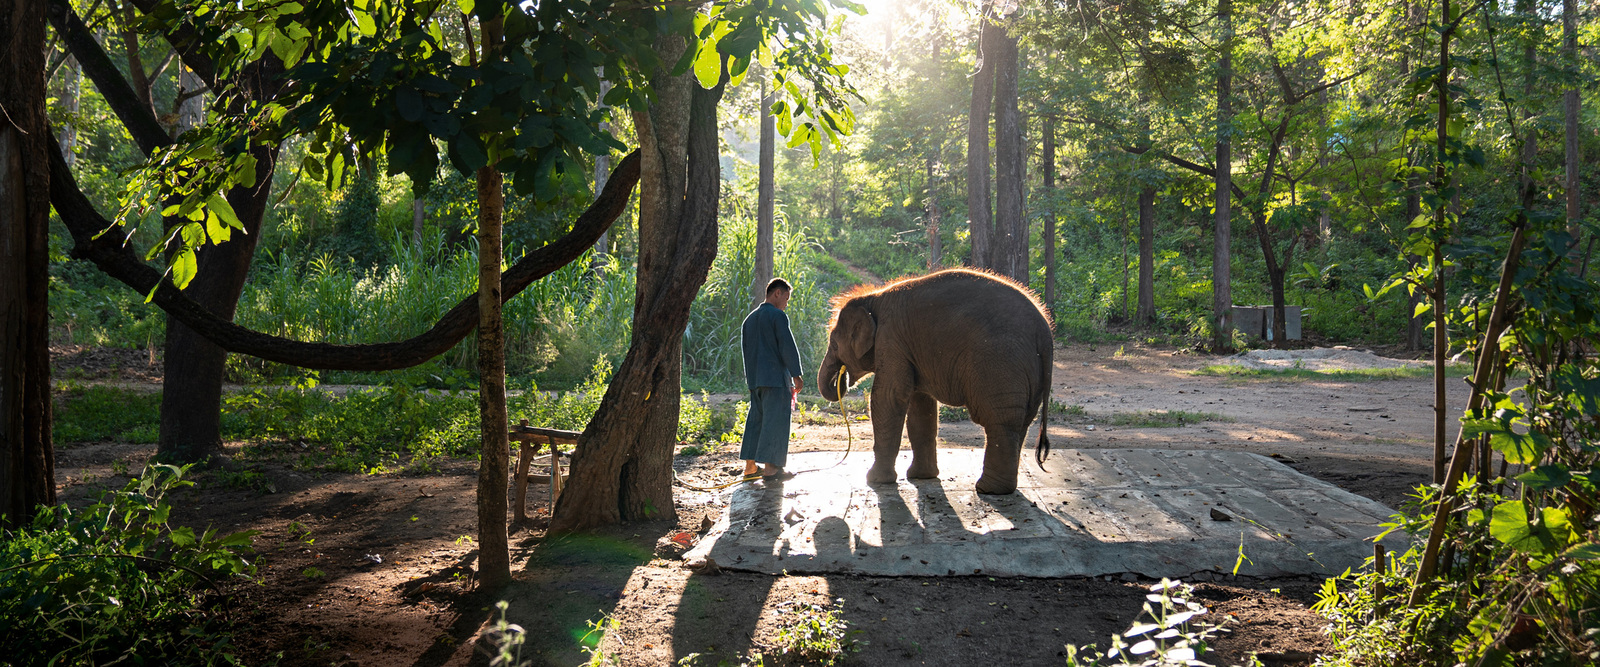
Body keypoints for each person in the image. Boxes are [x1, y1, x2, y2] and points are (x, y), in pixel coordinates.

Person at [740, 278, 805, 480]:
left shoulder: (749, 320)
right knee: (774, 422)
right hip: (776, 380)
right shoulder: (778, 316)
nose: (786, 303)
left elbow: (747, 352)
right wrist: (796, 375)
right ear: (777, 293)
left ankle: (750, 467)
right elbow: (787, 346)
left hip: (755, 380)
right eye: (786, 298)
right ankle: (771, 470)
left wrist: (752, 380)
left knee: (756, 421)